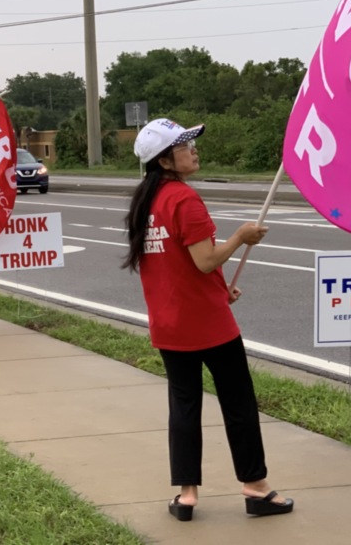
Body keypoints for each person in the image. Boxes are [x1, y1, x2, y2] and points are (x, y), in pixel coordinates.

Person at [123, 118, 293, 522]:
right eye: (184, 145)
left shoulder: (147, 202)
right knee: (238, 403)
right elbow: (203, 261)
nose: (193, 149)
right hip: (209, 325)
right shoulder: (184, 199)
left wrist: (220, 288)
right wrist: (240, 237)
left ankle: (186, 497)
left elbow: (175, 266)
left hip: (169, 324)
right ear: (165, 160)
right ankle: (255, 488)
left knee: (184, 406)